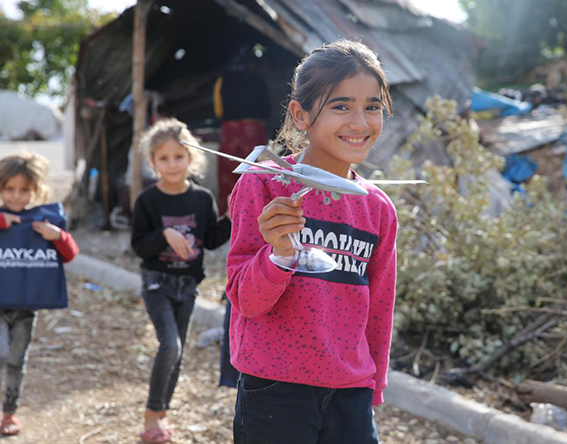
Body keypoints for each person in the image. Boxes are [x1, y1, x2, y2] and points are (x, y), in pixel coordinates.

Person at [226, 40, 398, 444]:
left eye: (372, 106)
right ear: (300, 115)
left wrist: (373, 385)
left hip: (350, 391)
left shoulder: (377, 208)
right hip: (274, 389)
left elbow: (380, 305)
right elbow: (246, 300)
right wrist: (280, 254)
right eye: (341, 106)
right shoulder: (264, 184)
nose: (360, 122)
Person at [131, 118, 231, 443]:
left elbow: (213, 239)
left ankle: (162, 413)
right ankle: (150, 414)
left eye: (179, 156)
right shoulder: (148, 201)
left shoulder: (202, 198)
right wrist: (165, 234)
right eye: (164, 158)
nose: (172, 164)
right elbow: (140, 246)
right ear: (152, 162)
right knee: (168, 346)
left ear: (191, 158)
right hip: (157, 282)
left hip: (188, 286)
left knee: (179, 352)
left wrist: (234, 216)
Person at [0, 152, 79, 436]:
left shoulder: (44, 221)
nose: (17, 196)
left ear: (35, 191)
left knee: (17, 359)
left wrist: (58, 236)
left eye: (24, 190)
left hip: (27, 304)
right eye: (9, 189)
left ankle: (9, 412)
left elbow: (70, 255)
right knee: (2, 352)